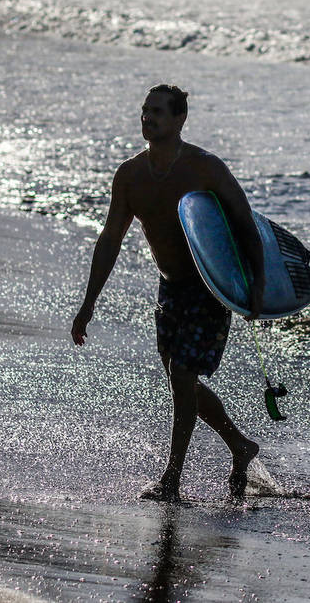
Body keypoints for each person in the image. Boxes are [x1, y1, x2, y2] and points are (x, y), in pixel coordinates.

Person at [71, 84, 264, 502]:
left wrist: (257, 288)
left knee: (181, 374)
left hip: (211, 287)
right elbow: (110, 241)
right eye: (144, 111)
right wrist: (88, 305)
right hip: (171, 288)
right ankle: (240, 446)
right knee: (183, 382)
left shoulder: (206, 168)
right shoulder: (130, 175)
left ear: (180, 119)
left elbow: (246, 225)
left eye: (157, 112)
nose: (148, 118)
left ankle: (172, 479)